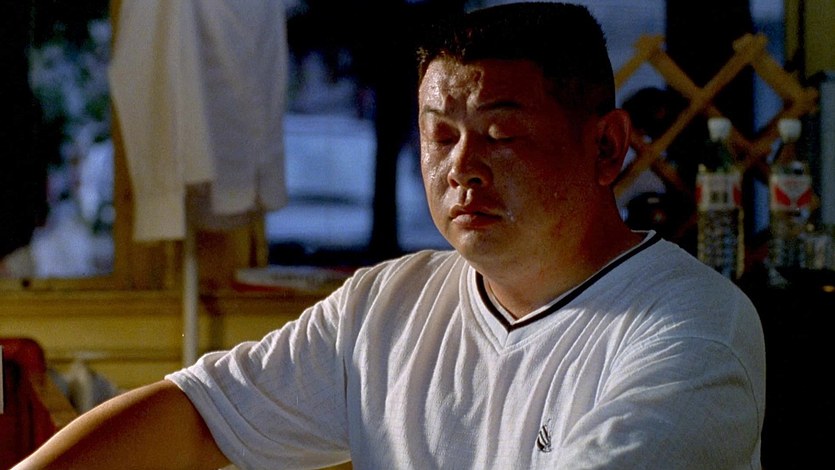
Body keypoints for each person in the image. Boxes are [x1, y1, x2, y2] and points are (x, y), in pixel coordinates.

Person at [15, 2, 765, 469]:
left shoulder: (692, 327)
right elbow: (197, 420)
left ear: (606, 147)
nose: (462, 168)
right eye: (440, 136)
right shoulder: (388, 304)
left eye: (501, 134)